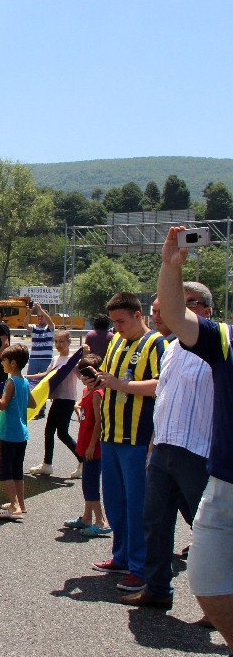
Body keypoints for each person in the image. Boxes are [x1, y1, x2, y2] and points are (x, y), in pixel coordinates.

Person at [158, 226, 233, 644]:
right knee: (206, 582)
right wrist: (170, 266)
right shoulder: (225, 339)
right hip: (224, 484)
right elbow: (175, 316)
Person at [121, 283, 215, 610]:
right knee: (156, 522)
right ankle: (157, 587)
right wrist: (152, 444)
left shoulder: (218, 347)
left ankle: (218, 606)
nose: (181, 309)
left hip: (199, 452)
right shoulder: (172, 347)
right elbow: (165, 397)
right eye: (179, 303)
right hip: (163, 448)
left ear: (208, 311)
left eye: (190, 303)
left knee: (210, 530)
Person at [88, 292, 166, 595]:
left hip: (138, 437)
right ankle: (120, 556)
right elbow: (109, 377)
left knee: (137, 506)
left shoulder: (157, 343)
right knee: (115, 502)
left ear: (138, 315)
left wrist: (121, 385)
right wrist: (97, 381)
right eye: (114, 322)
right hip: (111, 434)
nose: (117, 327)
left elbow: (161, 384)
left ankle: (139, 566)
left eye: (121, 321)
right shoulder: (116, 342)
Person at [0, 343, 35, 520]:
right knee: (17, 470)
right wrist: (18, 402)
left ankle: (14, 506)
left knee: (5, 472)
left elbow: (2, 405)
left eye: (4, 360)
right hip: (21, 433)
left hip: (10, 433)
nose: (2, 363)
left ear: (14, 363)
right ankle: (20, 504)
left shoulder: (11, 382)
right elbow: (32, 403)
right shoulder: (24, 381)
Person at [28, 330, 84, 478]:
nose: (59, 345)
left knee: (62, 433)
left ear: (69, 342)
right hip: (57, 399)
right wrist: (26, 377)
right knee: (49, 431)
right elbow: (46, 376)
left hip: (67, 399)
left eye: (62, 341)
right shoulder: (55, 358)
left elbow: (82, 377)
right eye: (56, 342)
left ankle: (82, 460)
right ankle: (47, 464)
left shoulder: (73, 361)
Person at [65, 353, 110, 537]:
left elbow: (99, 422)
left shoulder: (98, 394)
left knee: (91, 485)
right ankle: (86, 517)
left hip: (94, 448)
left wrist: (92, 445)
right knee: (86, 484)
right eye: (83, 375)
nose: (85, 379)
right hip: (84, 443)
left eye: (89, 375)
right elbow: (82, 410)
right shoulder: (87, 392)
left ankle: (100, 521)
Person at [27, 302, 56, 417]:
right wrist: (29, 312)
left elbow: (50, 322)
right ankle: (31, 407)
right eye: (38, 316)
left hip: (46, 359)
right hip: (34, 359)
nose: (40, 318)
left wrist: (40, 309)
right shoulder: (34, 328)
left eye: (42, 316)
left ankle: (42, 408)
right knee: (30, 384)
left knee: (43, 384)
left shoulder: (50, 328)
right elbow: (25, 324)